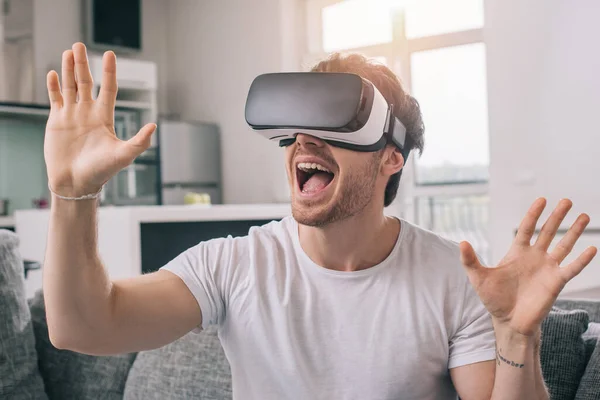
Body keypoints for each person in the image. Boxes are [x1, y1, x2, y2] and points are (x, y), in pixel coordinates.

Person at [43, 43, 597, 400]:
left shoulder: (454, 278)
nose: (304, 139)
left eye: (338, 121)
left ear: (391, 157)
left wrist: (517, 335)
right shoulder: (231, 263)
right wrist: (74, 193)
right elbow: (81, 326)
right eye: (299, 120)